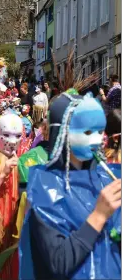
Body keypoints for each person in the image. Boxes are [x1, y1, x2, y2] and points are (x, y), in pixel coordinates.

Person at [19, 92, 121, 280]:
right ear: (63, 133)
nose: (97, 140)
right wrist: (99, 215)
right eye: (88, 132)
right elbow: (58, 262)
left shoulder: (104, 178)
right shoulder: (44, 187)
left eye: (100, 132)